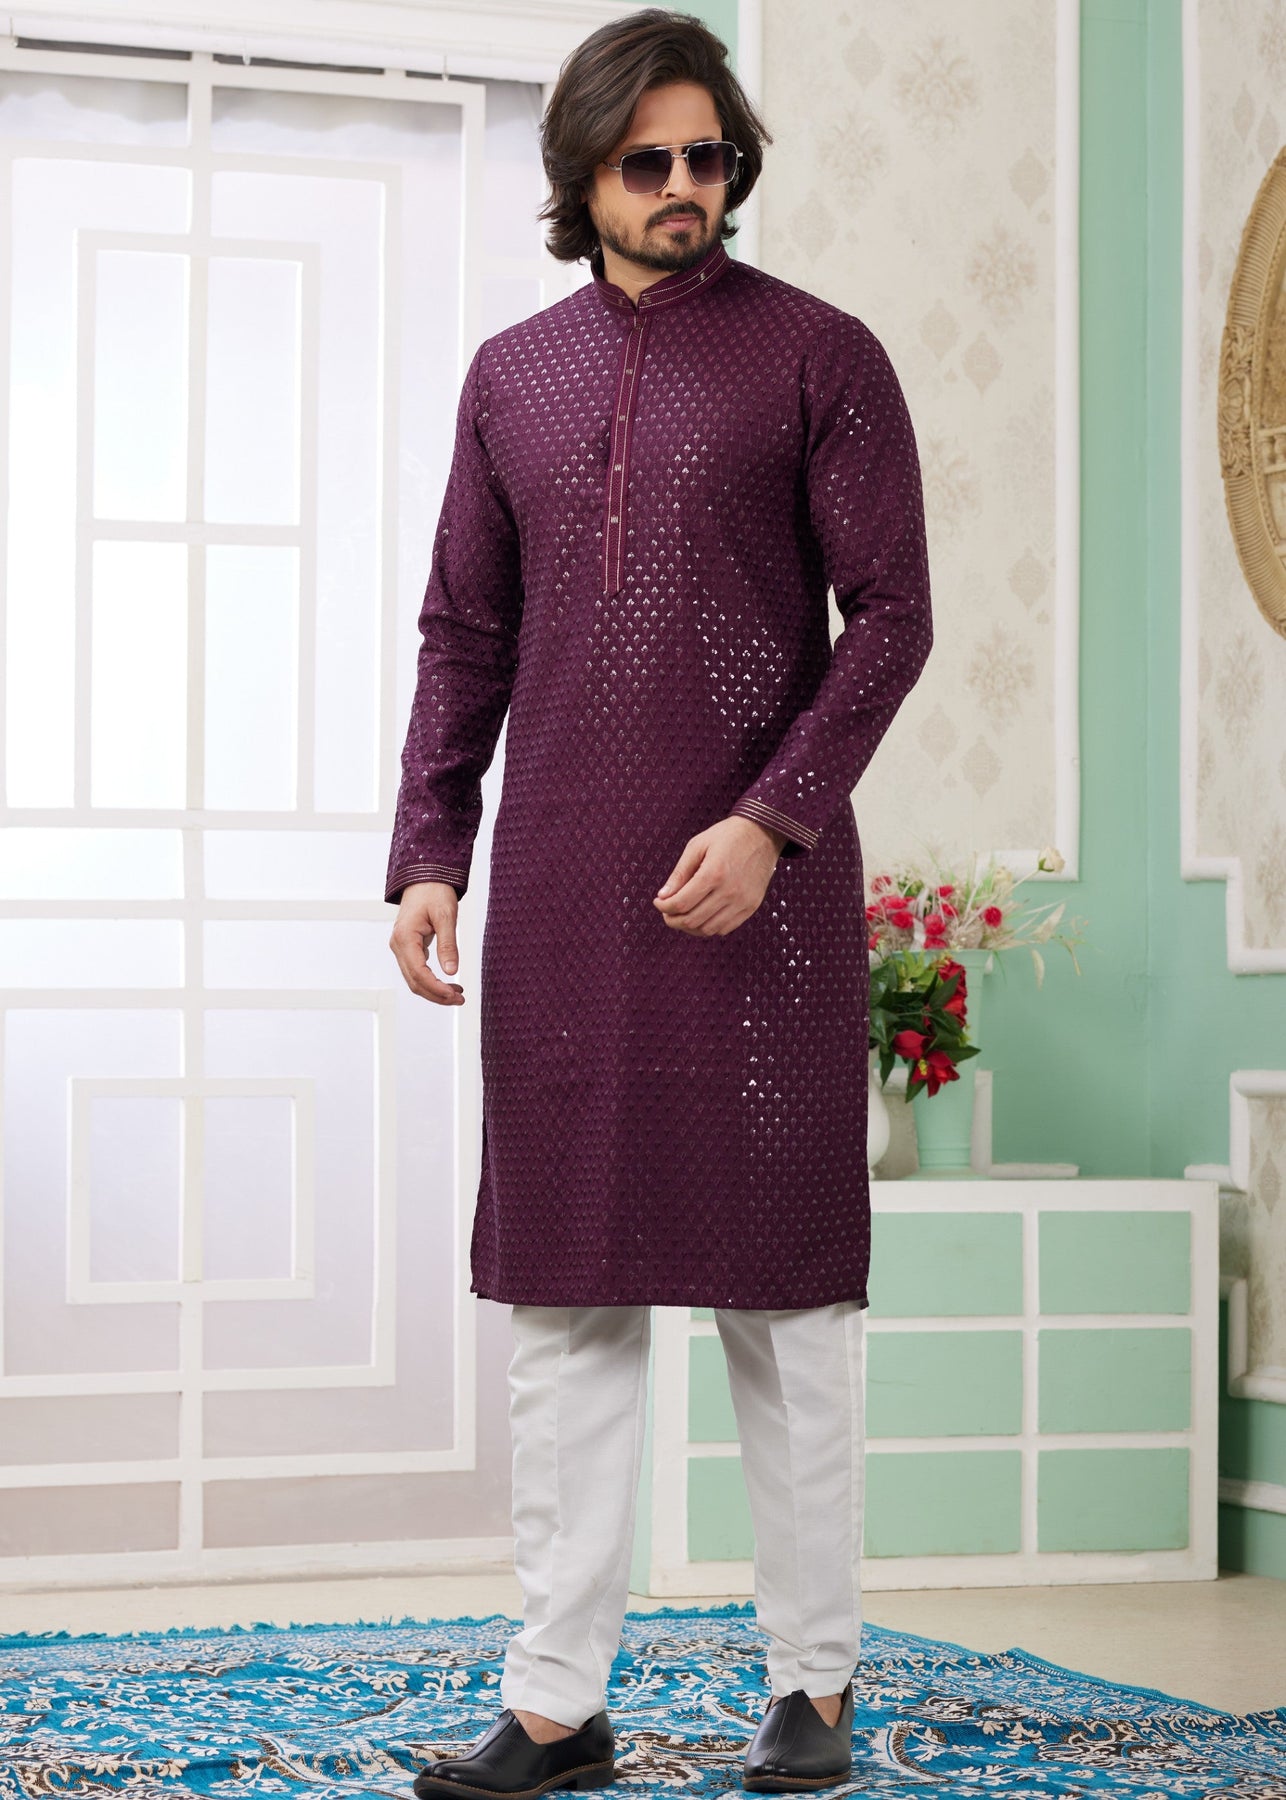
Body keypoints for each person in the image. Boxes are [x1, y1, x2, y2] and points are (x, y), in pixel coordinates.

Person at [386, 9, 933, 1794]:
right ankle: (557, 1702)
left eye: (709, 156)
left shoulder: (819, 356)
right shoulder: (509, 378)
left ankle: (814, 1688)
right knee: (567, 1306)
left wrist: (773, 821)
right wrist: (428, 852)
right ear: (584, 174)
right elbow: (463, 634)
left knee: (791, 1311)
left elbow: (893, 618)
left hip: (763, 900)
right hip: (566, 897)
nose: (685, 186)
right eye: (649, 161)